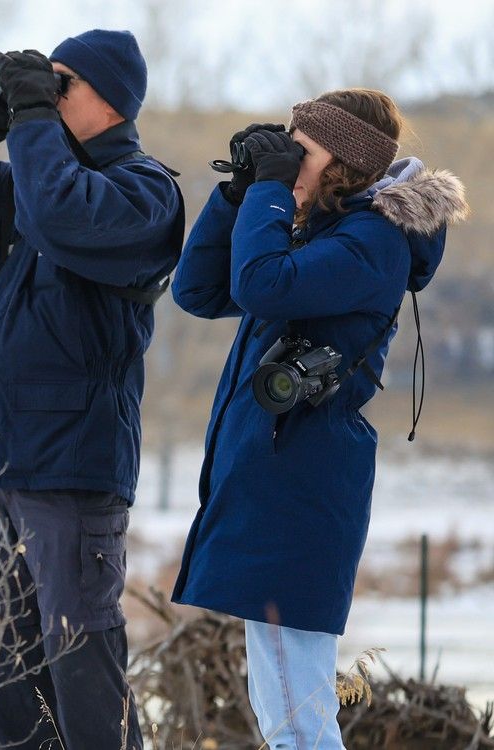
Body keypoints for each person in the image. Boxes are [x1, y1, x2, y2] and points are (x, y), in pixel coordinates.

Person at [0, 29, 184, 750]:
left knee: (80, 663)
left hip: (69, 474)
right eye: (43, 82)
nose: (49, 96)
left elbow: (62, 213)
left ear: (113, 100)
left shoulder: (144, 193)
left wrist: (32, 122)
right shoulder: (33, 182)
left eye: (63, 83)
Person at [170, 89, 469, 748]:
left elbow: (262, 285)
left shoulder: (373, 242)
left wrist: (270, 193)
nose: (289, 159)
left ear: (344, 160)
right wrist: (241, 191)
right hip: (277, 482)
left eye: (300, 149)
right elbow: (199, 290)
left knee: (298, 721)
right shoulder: (326, 230)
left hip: (300, 490)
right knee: (289, 710)